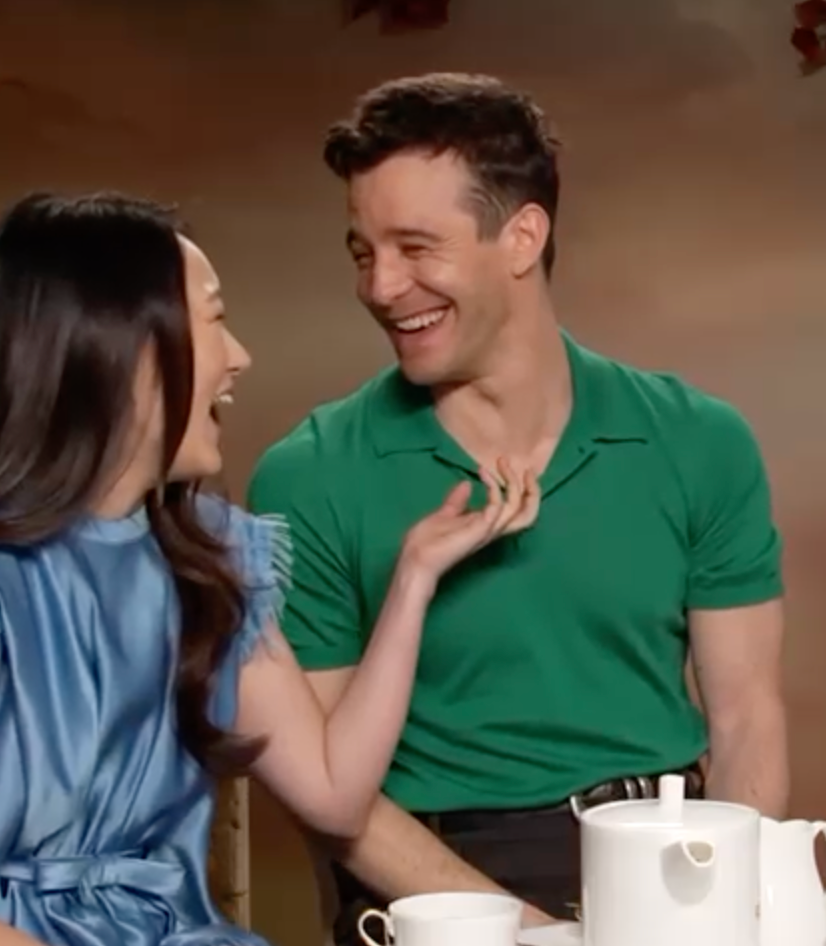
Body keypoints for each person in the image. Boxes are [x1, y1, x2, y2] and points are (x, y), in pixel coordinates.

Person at [0, 192, 541, 946]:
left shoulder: (198, 557)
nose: (239, 355)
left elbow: (332, 791)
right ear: (122, 351)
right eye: (214, 320)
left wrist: (412, 580)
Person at [245, 72, 789, 941]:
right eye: (362, 252)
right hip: (437, 887)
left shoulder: (700, 441)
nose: (381, 286)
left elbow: (746, 717)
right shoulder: (307, 476)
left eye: (415, 248)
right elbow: (329, 795)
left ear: (522, 237)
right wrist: (532, 932)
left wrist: (723, 906)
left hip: (666, 857)